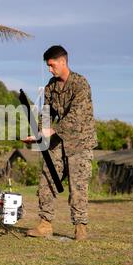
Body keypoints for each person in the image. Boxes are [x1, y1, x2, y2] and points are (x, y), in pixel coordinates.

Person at [23, 45, 97, 240]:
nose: (50, 69)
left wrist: (51, 130)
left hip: (80, 142)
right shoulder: (51, 86)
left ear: (63, 62)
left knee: (77, 186)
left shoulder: (80, 84)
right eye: (48, 66)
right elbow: (46, 113)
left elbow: (76, 116)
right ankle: (45, 224)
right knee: (47, 179)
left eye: (52, 65)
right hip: (58, 142)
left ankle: (80, 227)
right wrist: (39, 133)